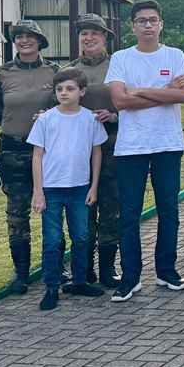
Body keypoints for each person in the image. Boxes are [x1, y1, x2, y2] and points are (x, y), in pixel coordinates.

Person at [107, 0, 184, 302]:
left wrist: (140, 90)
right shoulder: (120, 58)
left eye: (152, 20)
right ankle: (131, 277)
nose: (147, 25)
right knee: (129, 214)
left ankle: (166, 270)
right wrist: (165, 92)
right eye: (141, 20)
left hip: (167, 144)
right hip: (132, 147)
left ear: (161, 24)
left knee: (169, 210)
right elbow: (120, 101)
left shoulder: (175, 55)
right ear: (133, 26)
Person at [0, 19, 60, 295]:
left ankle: (54, 268)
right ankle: (21, 273)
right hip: (13, 151)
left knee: (53, 211)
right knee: (16, 215)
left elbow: (65, 105)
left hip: (48, 152)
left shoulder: (54, 71)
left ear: (40, 41)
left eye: (30, 36)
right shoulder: (1, 73)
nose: (24, 41)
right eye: (19, 36)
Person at [27, 68, 108, 310]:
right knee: (52, 240)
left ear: (82, 91)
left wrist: (93, 186)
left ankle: (80, 281)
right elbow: (37, 156)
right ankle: (51, 286)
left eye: (70, 88)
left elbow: (97, 153)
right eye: (59, 89)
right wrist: (38, 191)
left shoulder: (89, 119)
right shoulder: (45, 119)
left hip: (79, 188)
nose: (64, 93)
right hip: (51, 189)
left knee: (81, 236)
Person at [65, 13, 122, 289]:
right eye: (84, 33)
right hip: (79, 151)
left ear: (105, 37)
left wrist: (113, 116)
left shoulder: (119, 66)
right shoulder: (69, 71)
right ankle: (84, 269)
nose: (88, 38)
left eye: (94, 33)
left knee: (111, 210)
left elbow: (134, 108)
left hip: (113, 147)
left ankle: (108, 269)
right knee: (82, 211)